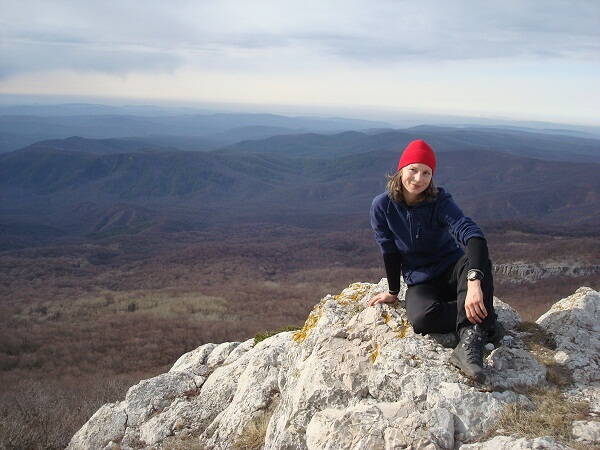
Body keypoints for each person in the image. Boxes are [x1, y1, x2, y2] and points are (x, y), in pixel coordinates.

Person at [367, 139, 499, 383]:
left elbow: (472, 235)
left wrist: (474, 282)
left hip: (452, 268)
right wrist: (393, 292)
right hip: (421, 279)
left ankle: (470, 342)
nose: (419, 178)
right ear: (401, 170)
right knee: (421, 319)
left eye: (426, 172)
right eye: (413, 170)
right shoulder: (382, 206)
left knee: (478, 263)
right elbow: (389, 251)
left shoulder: (439, 201)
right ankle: (484, 316)